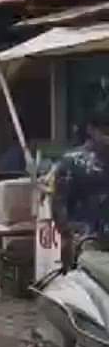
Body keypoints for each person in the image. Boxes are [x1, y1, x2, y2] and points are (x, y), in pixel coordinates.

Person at [52, 105, 109, 263]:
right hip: (87, 239)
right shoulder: (73, 162)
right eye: (105, 131)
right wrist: (67, 235)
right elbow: (59, 203)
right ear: (91, 130)